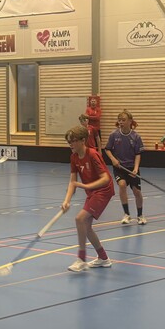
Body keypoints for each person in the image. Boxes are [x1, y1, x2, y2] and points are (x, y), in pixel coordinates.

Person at [61, 125, 114, 272]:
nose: (70, 144)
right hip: (92, 192)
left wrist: (86, 186)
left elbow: (105, 178)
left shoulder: (93, 154)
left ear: (83, 140)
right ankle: (103, 258)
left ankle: (82, 259)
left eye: (73, 141)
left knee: (80, 219)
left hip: (103, 190)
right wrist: (66, 201)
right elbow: (73, 182)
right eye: (69, 142)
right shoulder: (73, 157)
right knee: (86, 226)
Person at [105, 109, 145, 225]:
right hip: (119, 168)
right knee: (122, 185)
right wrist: (113, 159)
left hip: (132, 167)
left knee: (137, 192)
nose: (121, 122)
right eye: (119, 120)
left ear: (130, 121)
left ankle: (140, 215)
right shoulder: (114, 135)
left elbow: (138, 154)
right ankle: (126, 214)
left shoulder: (136, 136)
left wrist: (136, 169)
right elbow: (107, 149)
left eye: (123, 120)